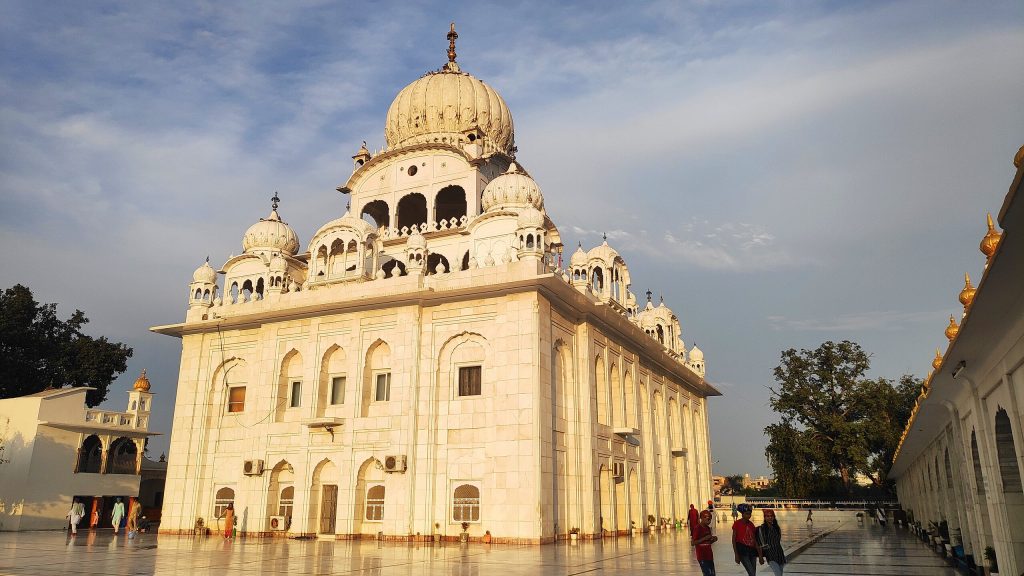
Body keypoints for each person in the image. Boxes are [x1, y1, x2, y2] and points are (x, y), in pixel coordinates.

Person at [757, 509, 787, 576]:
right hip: (770, 555)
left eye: (771, 516)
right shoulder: (762, 528)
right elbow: (760, 544)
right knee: (778, 574)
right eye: (767, 516)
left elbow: (778, 541)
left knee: (780, 574)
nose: (770, 517)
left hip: (780, 554)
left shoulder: (776, 528)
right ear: (764, 517)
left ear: (774, 517)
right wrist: (760, 557)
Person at [732, 503, 759, 576]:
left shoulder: (751, 524)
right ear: (742, 514)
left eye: (750, 514)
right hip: (742, 551)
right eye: (747, 514)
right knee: (752, 573)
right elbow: (734, 540)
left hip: (752, 551)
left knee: (753, 573)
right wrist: (736, 555)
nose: (748, 516)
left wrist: (759, 554)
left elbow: (754, 539)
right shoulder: (737, 524)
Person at [692, 509, 718, 576]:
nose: (709, 521)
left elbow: (708, 542)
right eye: (707, 519)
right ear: (702, 518)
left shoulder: (708, 528)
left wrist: (713, 539)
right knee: (707, 573)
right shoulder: (698, 528)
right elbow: (693, 543)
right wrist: (704, 538)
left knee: (712, 573)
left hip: (709, 555)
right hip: (702, 556)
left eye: (710, 520)